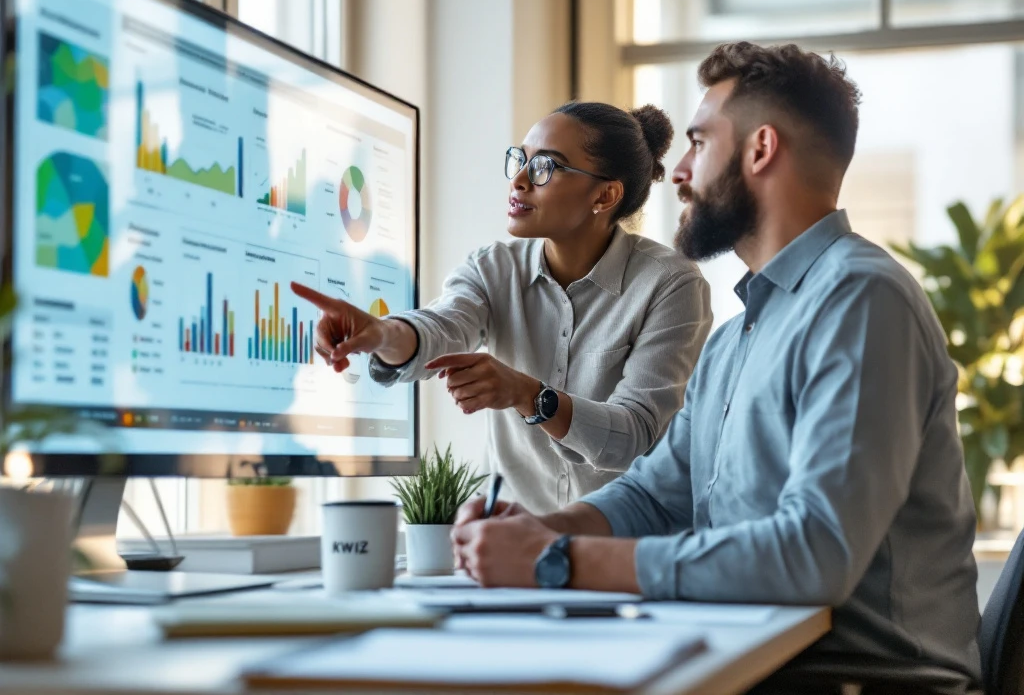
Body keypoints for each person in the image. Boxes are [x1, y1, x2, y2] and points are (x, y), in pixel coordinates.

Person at [451, 42, 982, 693]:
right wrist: (543, 529)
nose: (677, 172)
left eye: (699, 143)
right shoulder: (737, 338)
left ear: (760, 150)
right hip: (761, 664)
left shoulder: (861, 299)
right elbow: (653, 494)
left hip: (866, 681)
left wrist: (557, 561)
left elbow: (814, 555)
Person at [293, 102, 712, 513]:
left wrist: (528, 394)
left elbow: (631, 437)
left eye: (546, 166)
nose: (520, 181)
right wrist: (383, 334)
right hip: (513, 548)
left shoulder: (671, 284)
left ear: (604, 195)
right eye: (520, 160)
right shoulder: (492, 268)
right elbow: (442, 326)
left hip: (625, 553)